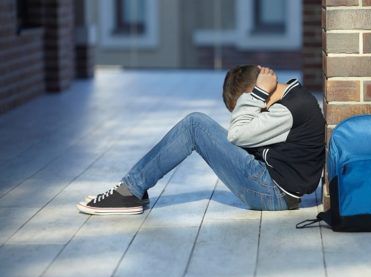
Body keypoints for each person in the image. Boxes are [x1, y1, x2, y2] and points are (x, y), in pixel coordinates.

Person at [76, 65, 325, 215]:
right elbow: (242, 141)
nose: (253, 108)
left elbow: (237, 134)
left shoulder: (288, 110)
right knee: (202, 127)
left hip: (272, 194)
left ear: (255, 93)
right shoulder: (295, 100)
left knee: (195, 124)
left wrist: (258, 93)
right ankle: (134, 189)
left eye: (248, 104)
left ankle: (129, 191)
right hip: (277, 189)